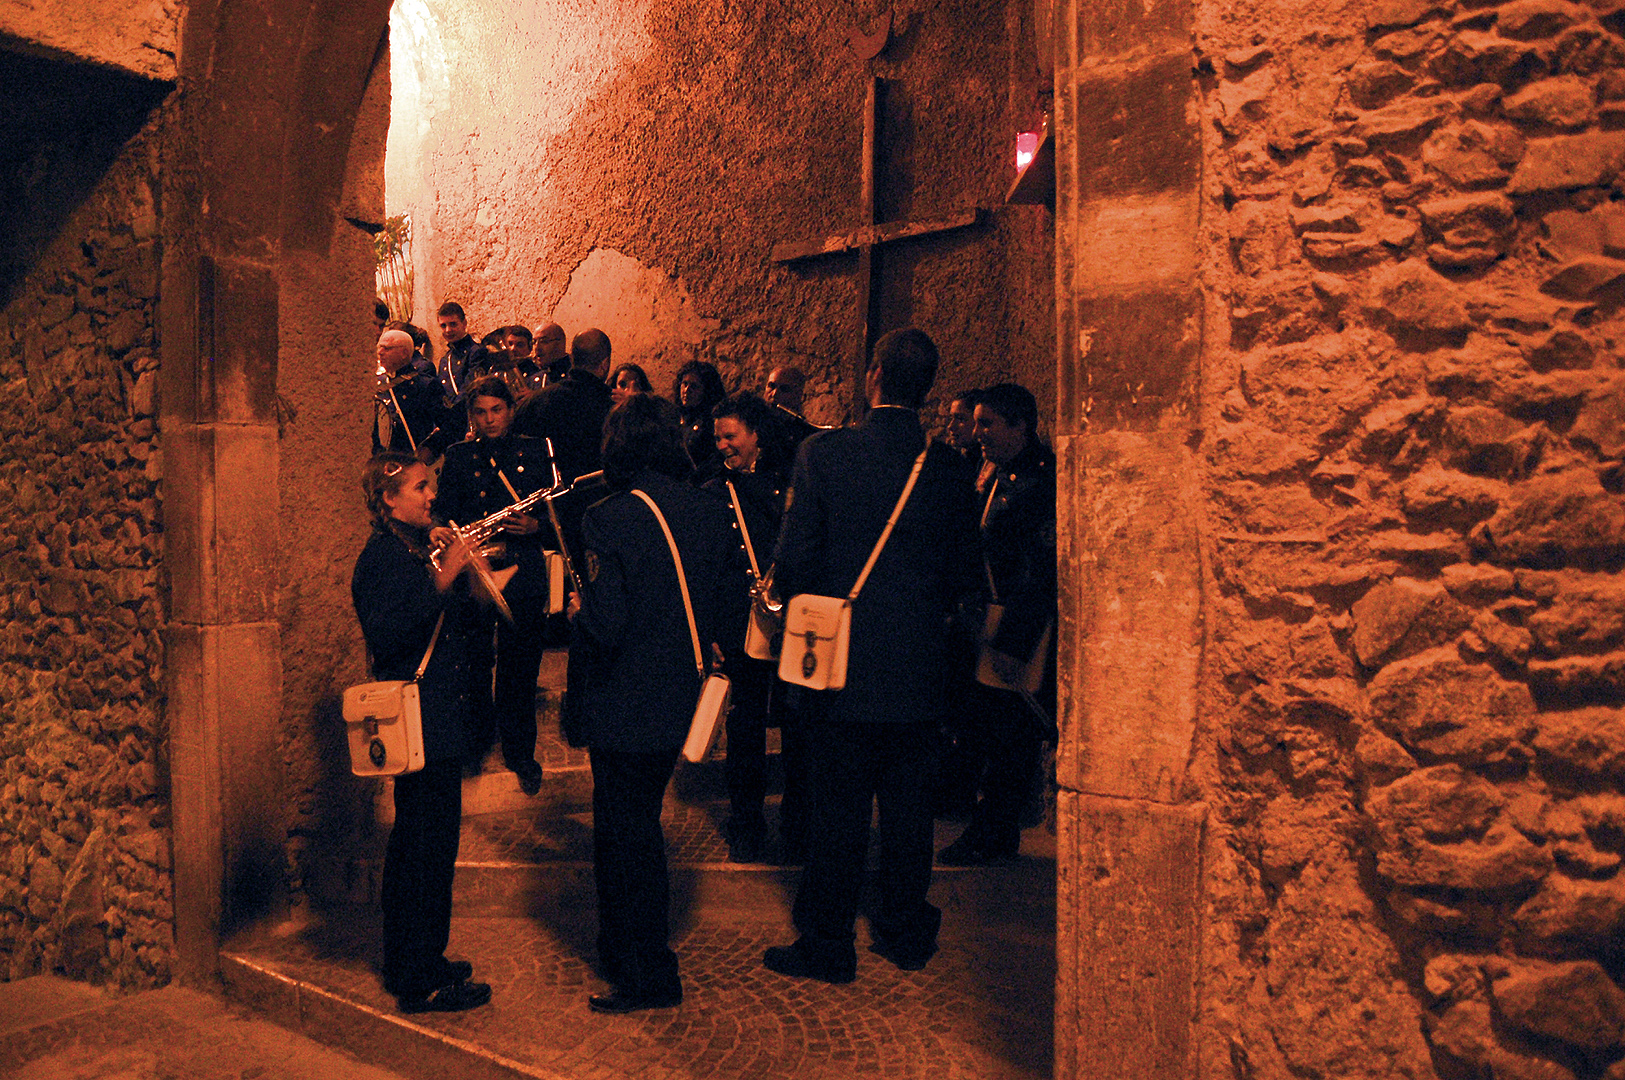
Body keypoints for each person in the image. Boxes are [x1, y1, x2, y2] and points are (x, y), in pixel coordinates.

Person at [762, 328, 979, 984]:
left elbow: (796, 557)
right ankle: (903, 929)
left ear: (874, 376)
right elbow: (966, 572)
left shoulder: (824, 454)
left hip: (840, 666)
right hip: (917, 666)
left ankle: (828, 943)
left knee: (838, 808)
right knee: (910, 811)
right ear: (926, 385)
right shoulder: (947, 469)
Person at [567, 394, 746, 1013]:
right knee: (641, 826)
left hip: (624, 704)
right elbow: (726, 607)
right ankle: (625, 949)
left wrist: (578, 610)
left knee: (626, 837)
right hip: (680, 697)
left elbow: (608, 624)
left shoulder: (609, 517)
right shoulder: (705, 510)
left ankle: (645, 970)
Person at [351, 452, 493, 1015]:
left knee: (427, 846)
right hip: (419, 722)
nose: (430, 496)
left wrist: (465, 571)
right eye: (418, 488)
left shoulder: (408, 549)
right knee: (423, 850)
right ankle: (419, 978)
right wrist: (444, 573)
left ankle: (418, 957)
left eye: (429, 487)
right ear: (388, 499)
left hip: (438, 719)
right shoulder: (380, 557)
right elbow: (388, 631)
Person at [937, 382, 1057, 865]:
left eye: (988, 423)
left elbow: (1043, 567)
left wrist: (1014, 642)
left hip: (1016, 624)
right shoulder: (994, 472)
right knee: (983, 724)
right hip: (982, 616)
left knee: (1010, 734)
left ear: (1020, 426)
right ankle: (981, 816)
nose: (978, 432)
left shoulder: (1041, 483)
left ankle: (995, 829)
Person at [432, 377, 550, 795]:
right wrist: (443, 530)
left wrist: (538, 526)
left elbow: (559, 511)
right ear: (471, 416)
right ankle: (476, 742)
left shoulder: (536, 450)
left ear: (510, 410)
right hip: (476, 569)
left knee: (521, 666)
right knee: (475, 659)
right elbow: (442, 509)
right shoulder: (459, 455)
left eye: (496, 410)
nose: (489, 419)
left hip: (523, 566)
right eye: (480, 412)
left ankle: (520, 752)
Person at [701, 392, 805, 864]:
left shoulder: (790, 486)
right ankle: (746, 822)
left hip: (786, 622)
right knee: (745, 727)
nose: (722, 445)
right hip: (737, 622)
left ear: (756, 434)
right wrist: (712, 633)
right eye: (718, 436)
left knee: (797, 721)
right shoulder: (711, 493)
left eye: (730, 435)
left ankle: (797, 821)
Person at [514, 328, 615, 566]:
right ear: (605, 364)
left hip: (540, 521)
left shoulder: (535, 402)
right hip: (596, 519)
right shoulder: (613, 413)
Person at [372, 329, 447, 462]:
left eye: (387, 348)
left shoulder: (425, 385)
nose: (380, 352)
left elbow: (450, 426)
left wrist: (430, 449)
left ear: (404, 353)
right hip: (383, 461)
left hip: (413, 459)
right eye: (379, 347)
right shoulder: (374, 385)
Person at [673, 360, 726, 477]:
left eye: (694, 386)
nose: (687, 390)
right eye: (685, 384)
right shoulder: (674, 416)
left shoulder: (713, 423)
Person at [435, 301, 491, 403]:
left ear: (464, 324)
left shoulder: (477, 352)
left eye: (453, 324)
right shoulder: (445, 359)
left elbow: (471, 389)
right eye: (443, 326)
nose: (448, 330)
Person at [764, 364, 820, 444]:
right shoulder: (751, 425)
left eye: (784, 389)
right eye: (771, 386)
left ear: (798, 395)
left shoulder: (803, 435)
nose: (774, 394)